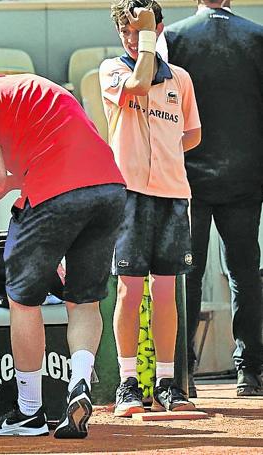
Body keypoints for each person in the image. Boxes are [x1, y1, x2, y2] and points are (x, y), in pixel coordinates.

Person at [0, 34, 126, 439]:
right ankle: (79, 384)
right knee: (84, 300)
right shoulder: (32, 85)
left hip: (54, 197)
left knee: (23, 301)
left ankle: (29, 412)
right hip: (110, 190)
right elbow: (31, 164)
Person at [100, 0, 202, 417]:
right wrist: (144, 41)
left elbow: (192, 135)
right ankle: (128, 382)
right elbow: (139, 85)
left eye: (139, 28)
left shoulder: (180, 78)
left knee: (165, 291)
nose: (130, 35)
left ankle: (166, 383)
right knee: (130, 288)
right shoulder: (115, 70)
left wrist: (164, 155)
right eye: (125, 28)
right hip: (130, 194)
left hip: (173, 194)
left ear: (161, 26)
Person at [161, 0, 263, 397]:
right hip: (246, 175)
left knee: (189, 273)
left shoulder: (174, 37)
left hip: (188, 177)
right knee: (244, 272)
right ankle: (249, 370)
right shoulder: (257, 37)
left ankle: (183, 371)